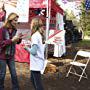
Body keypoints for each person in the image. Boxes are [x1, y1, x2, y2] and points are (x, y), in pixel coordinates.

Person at [0, 12, 23, 90]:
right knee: (2, 74)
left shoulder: (14, 30)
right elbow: (1, 44)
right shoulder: (2, 30)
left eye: (17, 20)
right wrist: (12, 40)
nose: (16, 22)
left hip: (11, 55)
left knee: (14, 73)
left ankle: (15, 88)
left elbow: (16, 42)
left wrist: (19, 39)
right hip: (2, 56)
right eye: (15, 20)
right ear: (10, 20)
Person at [24, 18, 45, 90]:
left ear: (33, 25)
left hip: (36, 62)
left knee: (37, 84)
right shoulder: (38, 34)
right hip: (37, 62)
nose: (30, 25)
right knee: (33, 80)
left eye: (31, 23)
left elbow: (33, 51)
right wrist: (31, 44)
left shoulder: (35, 35)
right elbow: (36, 48)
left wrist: (26, 48)